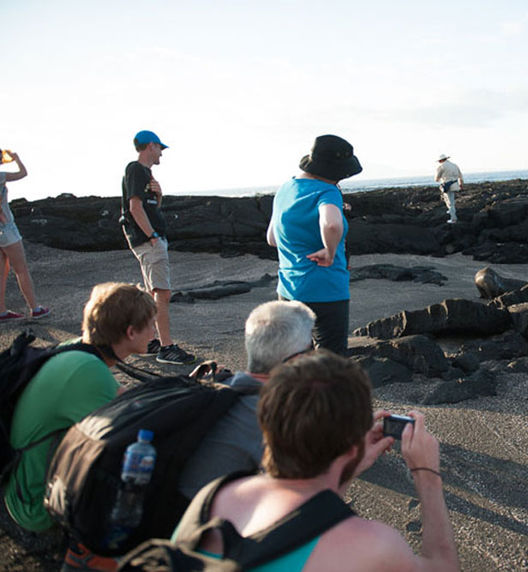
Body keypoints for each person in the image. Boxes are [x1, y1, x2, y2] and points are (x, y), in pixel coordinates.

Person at [185, 350, 460, 570]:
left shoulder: (215, 495)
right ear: (351, 447)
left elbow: (307, 511)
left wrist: (349, 465)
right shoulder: (371, 547)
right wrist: (427, 474)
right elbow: (442, 566)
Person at [1, 282, 156, 568]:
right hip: (36, 504)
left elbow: (124, 397)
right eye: (150, 325)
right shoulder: (88, 371)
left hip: (23, 483)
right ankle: (89, 552)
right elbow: (131, 431)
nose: (155, 332)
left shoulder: (76, 351)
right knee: (142, 469)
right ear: (130, 332)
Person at [177, 300, 316, 499]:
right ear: (297, 360)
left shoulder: (221, 386)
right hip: (191, 523)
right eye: (312, 348)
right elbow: (303, 495)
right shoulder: (271, 417)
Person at [266, 134, 362, 355]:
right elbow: (331, 225)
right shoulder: (327, 191)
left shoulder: (285, 189)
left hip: (289, 289)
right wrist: (329, 252)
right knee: (330, 362)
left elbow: (272, 238)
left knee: (297, 359)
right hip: (325, 290)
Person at [120, 130, 195, 365]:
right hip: (149, 241)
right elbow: (134, 207)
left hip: (150, 239)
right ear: (150, 146)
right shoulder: (135, 169)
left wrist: (159, 196)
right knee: (162, 293)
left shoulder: (144, 173)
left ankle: (152, 340)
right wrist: (152, 236)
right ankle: (167, 346)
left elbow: (149, 207)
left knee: (155, 291)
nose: (161, 152)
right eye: (159, 147)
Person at [0, 151, 50, 320]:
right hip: (6, 228)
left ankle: (1, 311)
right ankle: (35, 308)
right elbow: (23, 173)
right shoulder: (0, 176)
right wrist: (17, 159)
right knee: (21, 269)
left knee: (2, 271)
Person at [434, 154, 463, 224]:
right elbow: (460, 176)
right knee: (450, 200)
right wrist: (461, 184)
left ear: (441, 160)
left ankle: (453, 219)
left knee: (450, 203)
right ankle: (450, 211)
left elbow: (436, 179)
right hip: (455, 184)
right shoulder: (454, 165)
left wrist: (440, 179)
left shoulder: (441, 166)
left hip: (447, 185)